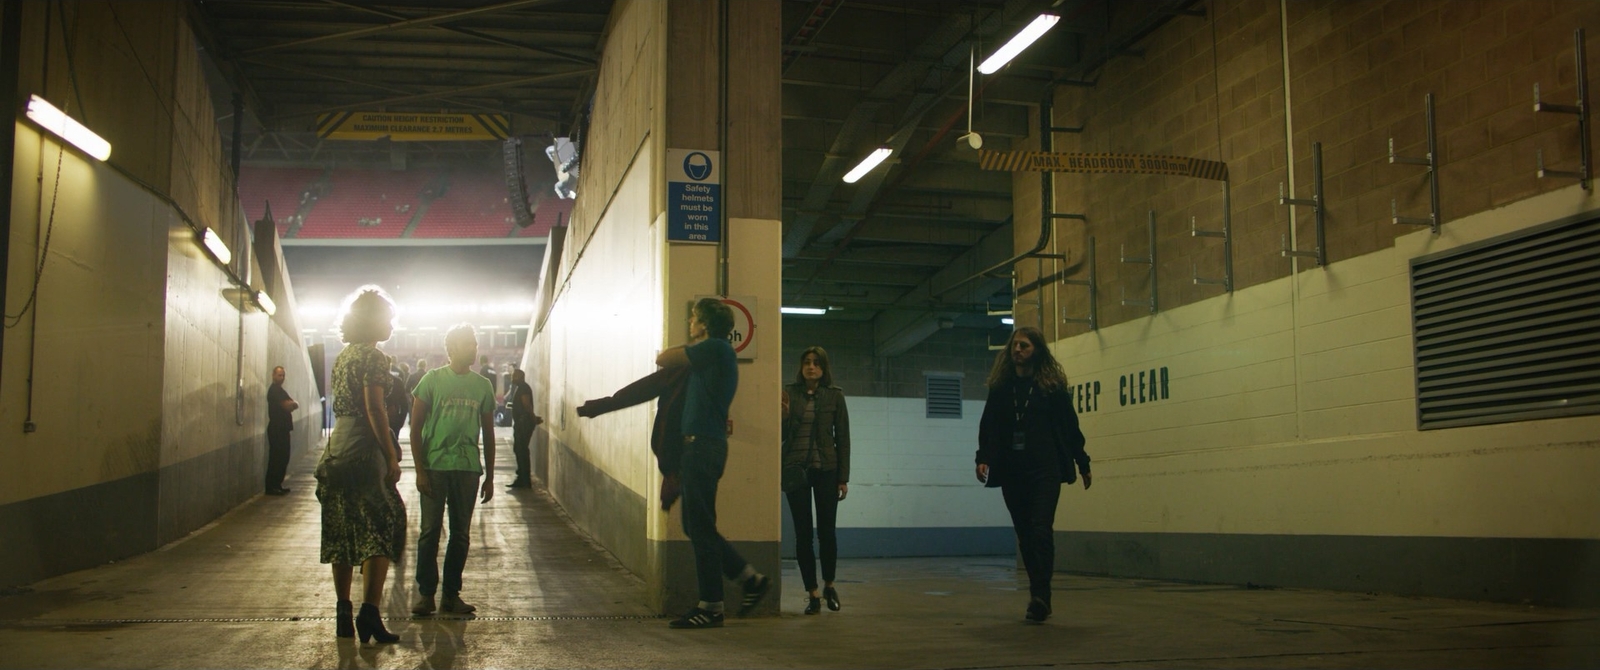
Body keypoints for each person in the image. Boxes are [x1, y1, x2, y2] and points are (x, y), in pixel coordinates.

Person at [655, 298, 770, 629]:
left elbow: (663, 358)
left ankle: (712, 606)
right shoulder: (715, 354)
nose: (690, 323)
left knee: (701, 527)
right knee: (696, 525)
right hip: (702, 447)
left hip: (703, 448)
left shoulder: (716, 349)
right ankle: (750, 580)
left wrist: (690, 345)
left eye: (693, 319)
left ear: (704, 325)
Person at [975, 326, 1091, 623]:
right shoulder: (1001, 389)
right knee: (1025, 535)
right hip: (1013, 472)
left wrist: (1082, 461)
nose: (1017, 350)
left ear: (1036, 350)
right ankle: (1037, 593)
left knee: (1041, 529)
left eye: (1024, 346)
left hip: (1045, 470)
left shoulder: (1050, 389)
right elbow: (988, 426)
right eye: (1014, 346)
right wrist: (983, 458)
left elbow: (1070, 427)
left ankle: (1042, 595)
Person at [314, 286, 407, 644]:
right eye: (388, 318)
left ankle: (343, 613)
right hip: (364, 452)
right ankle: (370, 613)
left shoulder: (343, 357)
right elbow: (374, 408)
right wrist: (390, 451)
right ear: (374, 322)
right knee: (382, 527)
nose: (392, 325)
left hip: (336, 450)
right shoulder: (374, 357)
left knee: (341, 530)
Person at [409, 323, 497, 616]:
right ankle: (426, 594)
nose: (475, 348)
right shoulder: (431, 380)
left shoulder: (482, 385)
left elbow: (488, 431)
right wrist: (420, 470)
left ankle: (450, 595)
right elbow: (415, 427)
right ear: (452, 349)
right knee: (430, 532)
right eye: (469, 344)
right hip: (435, 467)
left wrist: (490, 475)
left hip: (467, 469)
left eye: (475, 343)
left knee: (460, 534)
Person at [780, 346, 850, 615]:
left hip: (826, 469)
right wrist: (784, 417)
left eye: (816, 363)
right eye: (807, 362)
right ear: (801, 367)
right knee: (803, 535)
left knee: (827, 532)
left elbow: (842, 438)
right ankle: (813, 593)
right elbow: (782, 435)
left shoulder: (835, 396)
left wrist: (843, 477)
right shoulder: (790, 393)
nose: (811, 367)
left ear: (824, 368)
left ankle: (830, 584)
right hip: (795, 468)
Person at [504, 368, 543, 489]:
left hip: (523, 423)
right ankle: (522, 477)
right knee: (520, 450)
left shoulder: (523, 388)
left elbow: (526, 405)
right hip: (523, 422)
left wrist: (533, 418)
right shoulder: (521, 387)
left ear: (520, 377)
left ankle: (524, 479)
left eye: (514, 376)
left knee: (521, 450)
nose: (512, 378)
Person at [265, 366, 299, 495]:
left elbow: (291, 403)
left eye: (283, 375)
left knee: (282, 458)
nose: (282, 378)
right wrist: (293, 404)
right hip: (277, 429)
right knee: (277, 458)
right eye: (279, 375)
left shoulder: (280, 391)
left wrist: (293, 403)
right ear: (273, 375)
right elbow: (289, 405)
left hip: (282, 429)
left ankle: (277, 485)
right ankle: (272, 486)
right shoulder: (275, 391)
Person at [386, 360, 411, 451]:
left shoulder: (372, 380)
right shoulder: (397, 381)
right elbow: (404, 404)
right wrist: (400, 421)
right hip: (394, 417)